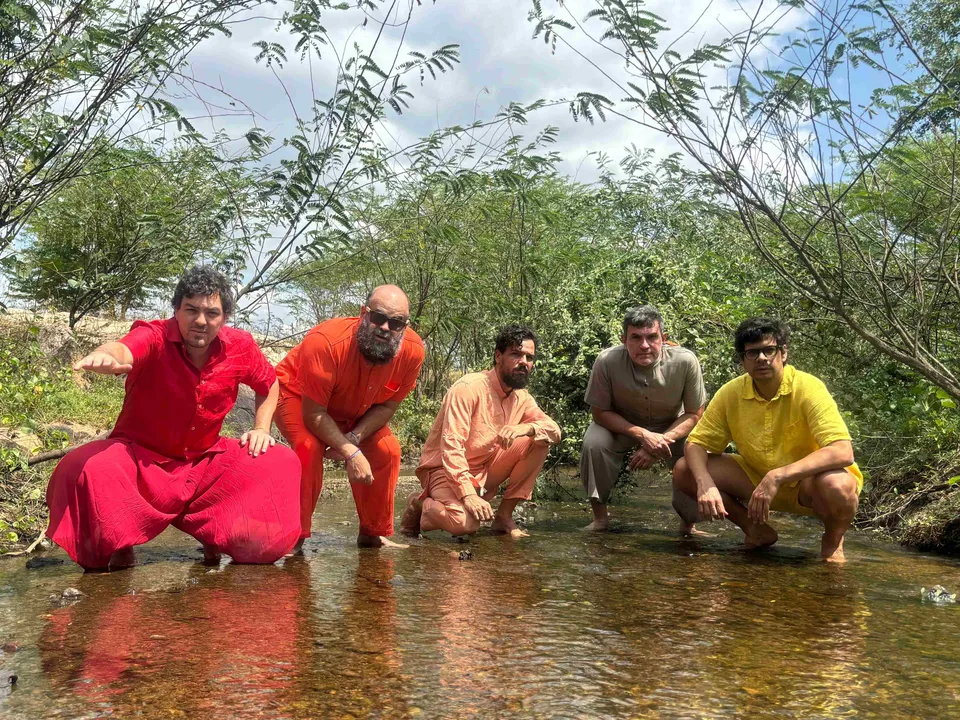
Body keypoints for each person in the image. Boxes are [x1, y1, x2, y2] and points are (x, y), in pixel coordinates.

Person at [45, 266, 301, 571]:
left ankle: (226, 539)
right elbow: (124, 348)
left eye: (212, 313)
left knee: (280, 461)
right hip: (140, 460)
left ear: (225, 318)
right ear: (176, 310)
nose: (201, 321)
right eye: (191, 310)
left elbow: (268, 382)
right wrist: (107, 355)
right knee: (80, 468)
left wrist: (261, 427)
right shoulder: (154, 336)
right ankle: (117, 544)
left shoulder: (239, 346)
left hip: (204, 462)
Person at [672, 317, 862, 561]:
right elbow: (697, 443)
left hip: (806, 484)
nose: (761, 358)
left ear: (783, 353)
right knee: (685, 469)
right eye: (752, 353)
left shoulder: (808, 388)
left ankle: (832, 543)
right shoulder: (731, 393)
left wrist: (778, 476)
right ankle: (755, 530)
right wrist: (705, 483)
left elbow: (842, 451)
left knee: (839, 485)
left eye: (768, 350)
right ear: (743, 361)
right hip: (755, 478)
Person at [274, 285, 425, 548]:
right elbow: (314, 414)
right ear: (364, 313)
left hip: (356, 410)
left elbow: (387, 408)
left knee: (387, 450)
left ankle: (372, 533)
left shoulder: (413, 352)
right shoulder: (325, 342)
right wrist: (351, 452)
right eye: (378, 317)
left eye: (396, 322)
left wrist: (353, 438)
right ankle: (294, 536)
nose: (385, 327)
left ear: (405, 325)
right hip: (299, 396)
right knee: (309, 447)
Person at [400, 325, 561, 539]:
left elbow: (554, 431)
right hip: (443, 470)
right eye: (515, 354)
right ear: (498, 356)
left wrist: (526, 427)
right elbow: (451, 447)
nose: (524, 362)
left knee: (539, 440)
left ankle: (503, 517)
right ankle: (419, 503)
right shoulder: (468, 388)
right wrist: (468, 495)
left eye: (529, 357)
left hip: (484, 469)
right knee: (464, 525)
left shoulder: (521, 397)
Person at [579, 305, 707, 531]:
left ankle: (689, 524)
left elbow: (694, 414)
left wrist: (657, 442)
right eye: (636, 338)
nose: (644, 345)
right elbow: (599, 413)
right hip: (621, 425)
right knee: (594, 442)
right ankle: (600, 518)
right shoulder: (606, 361)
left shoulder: (686, 361)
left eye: (651, 337)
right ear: (624, 339)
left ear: (663, 338)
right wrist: (642, 435)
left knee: (696, 444)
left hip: (671, 426)